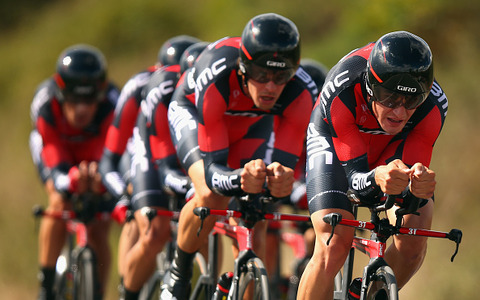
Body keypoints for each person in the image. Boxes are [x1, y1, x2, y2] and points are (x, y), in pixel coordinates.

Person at [161, 13, 317, 299]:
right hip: (195, 112)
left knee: (254, 216)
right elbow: (212, 171)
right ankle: (178, 275)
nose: (270, 86)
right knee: (210, 194)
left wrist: (280, 181)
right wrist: (240, 178)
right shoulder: (218, 72)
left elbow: (283, 170)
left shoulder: (301, 92)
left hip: (248, 125)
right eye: (261, 75)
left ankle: (242, 284)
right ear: (244, 68)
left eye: (280, 76)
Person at [298, 31, 448, 299]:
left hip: (389, 151)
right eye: (389, 98)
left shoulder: (434, 104)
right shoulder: (343, 83)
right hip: (336, 143)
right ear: (369, 87)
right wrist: (376, 178)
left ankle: (367, 294)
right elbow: (355, 181)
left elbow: (410, 186)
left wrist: (417, 186)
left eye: (411, 100)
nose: (399, 112)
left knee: (415, 237)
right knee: (333, 243)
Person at [97, 35, 200, 298]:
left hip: (185, 159)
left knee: (206, 218)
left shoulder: (206, 89)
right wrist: (124, 194)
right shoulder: (143, 87)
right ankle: (128, 291)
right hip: (146, 156)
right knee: (153, 230)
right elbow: (110, 157)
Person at [29, 44, 120, 300]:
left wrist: (101, 182)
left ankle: (97, 292)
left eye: (89, 100)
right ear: (60, 94)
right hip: (59, 148)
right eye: (73, 100)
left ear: (100, 96)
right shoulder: (44, 103)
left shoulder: (115, 105)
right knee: (59, 202)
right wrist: (69, 180)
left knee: (100, 224)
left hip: (95, 152)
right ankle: (46, 288)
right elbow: (54, 160)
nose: (81, 110)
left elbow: (113, 155)